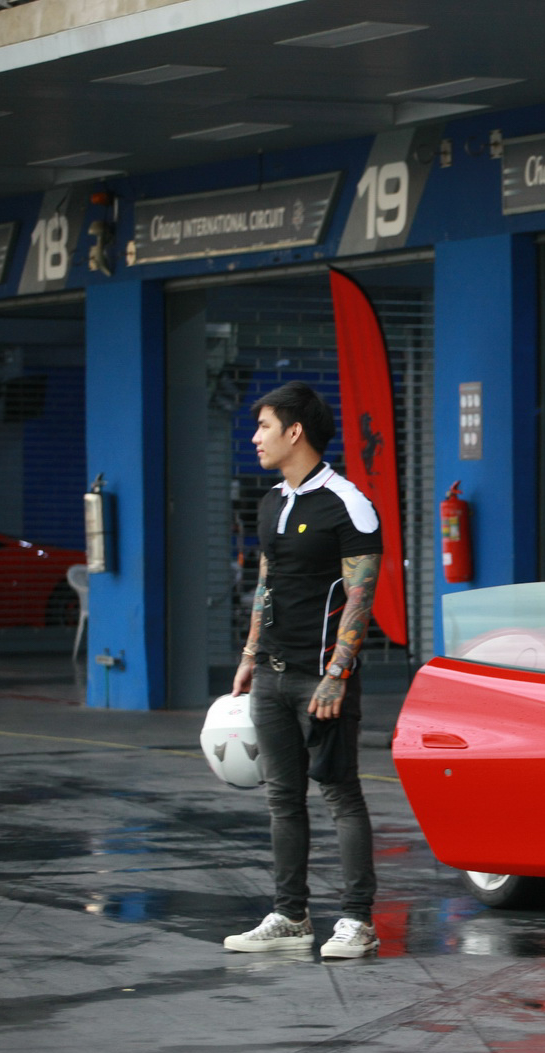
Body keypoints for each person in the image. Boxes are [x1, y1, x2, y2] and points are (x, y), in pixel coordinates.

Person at [224, 381, 383, 959]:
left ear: (295, 432)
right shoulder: (271, 502)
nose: (255, 437)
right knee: (282, 799)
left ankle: (358, 920)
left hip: (323, 679)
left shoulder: (348, 503)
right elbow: (267, 585)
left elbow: (362, 596)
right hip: (271, 673)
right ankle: (290, 916)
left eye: (263, 426)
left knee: (340, 795)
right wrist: (248, 658)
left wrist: (338, 672)